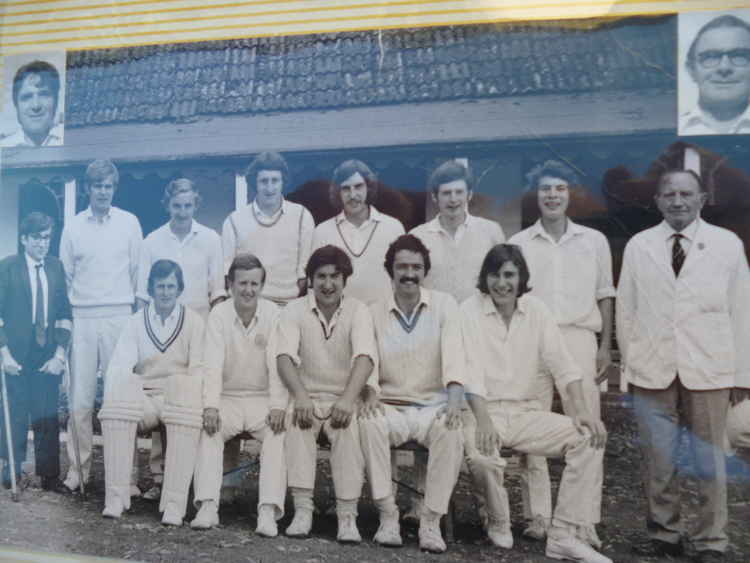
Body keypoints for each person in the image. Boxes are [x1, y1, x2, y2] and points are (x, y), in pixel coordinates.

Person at [617, 169, 750, 562]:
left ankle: (712, 539)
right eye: (669, 194)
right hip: (652, 368)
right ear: (657, 200)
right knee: (659, 459)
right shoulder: (640, 246)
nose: (678, 201)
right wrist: (632, 366)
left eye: (686, 194)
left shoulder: (726, 244)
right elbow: (627, 311)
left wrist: (741, 374)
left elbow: (742, 311)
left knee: (711, 460)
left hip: (709, 369)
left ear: (702, 198)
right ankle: (665, 533)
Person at [461, 244, 610, 563]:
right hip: (482, 412)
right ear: (485, 278)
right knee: (483, 459)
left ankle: (562, 535)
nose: (502, 283)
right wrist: (484, 420)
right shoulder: (469, 310)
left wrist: (582, 412)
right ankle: (498, 519)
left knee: (589, 439)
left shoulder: (537, 311)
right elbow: (469, 370)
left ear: (521, 278)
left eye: (509, 275)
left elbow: (564, 366)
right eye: (494, 275)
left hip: (526, 413)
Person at [508, 160, 615, 545]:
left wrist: (605, 346)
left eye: (560, 189)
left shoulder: (594, 241)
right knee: (531, 425)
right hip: (532, 339)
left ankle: (583, 520)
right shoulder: (519, 244)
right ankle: (538, 514)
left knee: (587, 427)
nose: (552, 196)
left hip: (578, 339)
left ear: (571, 194)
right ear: (535, 195)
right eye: (545, 189)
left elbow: (605, 294)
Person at [358, 234, 467, 553]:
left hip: (431, 406)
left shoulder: (445, 305)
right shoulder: (373, 310)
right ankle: (388, 514)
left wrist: (455, 399)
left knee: (452, 427)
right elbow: (367, 358)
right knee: (368, 422)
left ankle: (430, 520)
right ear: (390, 270)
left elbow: (455, 356)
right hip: (390, 405)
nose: (408, 273)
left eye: (416, 267)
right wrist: (370, 391)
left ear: (425, 271)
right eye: (401, 266)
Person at [274, 245, 384, 544]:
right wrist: (300, 396)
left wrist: (348, 399)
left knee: (348, 428)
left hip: (342, 396)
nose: (327, 284)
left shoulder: (358, 310)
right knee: (298, 424)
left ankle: (347, 515)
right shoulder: (294, 310)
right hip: (307, 395)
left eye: (335, 276)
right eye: (320, 276)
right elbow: (284, 357)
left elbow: (364, 357)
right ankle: (302, 510)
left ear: (345, 278)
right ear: (310, 279)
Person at [137, 178, 225, 501]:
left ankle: (189, 477)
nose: (183, 212)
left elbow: (218, 292)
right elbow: (143, 299)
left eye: (188, 205)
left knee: (194, 402)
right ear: (168, 205)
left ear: (196, 204)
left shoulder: (211, 239)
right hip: (162, 332)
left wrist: (215, 334)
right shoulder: (152, 241)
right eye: (177, 206)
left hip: (198, 330)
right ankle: (161, 478)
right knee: (163, 397)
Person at [98, 260, 205, 526]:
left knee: (183, 412)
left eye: (171, 286)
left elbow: (199, 369)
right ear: (151, 289)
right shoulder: (136, 321)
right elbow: (120, 365)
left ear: (179, 289)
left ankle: (173, 504)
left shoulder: (193, 321)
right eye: (160, 286)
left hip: (178, 397)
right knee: (118, 408)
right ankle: (116, 496)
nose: (166, 292)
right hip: (144, 396)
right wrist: (117, 395)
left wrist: (189, 395)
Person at [60, 158, 143, 492]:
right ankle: (78, 472)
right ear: (88, 189)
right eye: (98, 186)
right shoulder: (73, 227)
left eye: (108, 186)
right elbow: (66, 277)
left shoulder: (129, 223)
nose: (103, 192)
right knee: (79, 401)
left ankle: (127, 476)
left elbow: (139, 276)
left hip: (119, 316)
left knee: (120, 399)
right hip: (83, 317)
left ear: (114, 188)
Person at [191, 254, 287, 537]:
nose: (248, 290)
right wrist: (210, 406)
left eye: (254, 283)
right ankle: (208, 504)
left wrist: (278, 405)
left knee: (277, 434)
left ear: (262, 285)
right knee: (209, 431)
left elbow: (278, 364)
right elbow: (212, 365)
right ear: (230, 284)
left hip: (262, 398)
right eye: (242, 283)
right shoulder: (219, 315)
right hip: (228, 397)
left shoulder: (274, 315)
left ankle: (268, 510)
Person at [0, 212, 71, 492]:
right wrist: (3, 353)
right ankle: (12, 469)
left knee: (46, 413)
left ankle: (49, 475)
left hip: (46, 352)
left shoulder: (56, 268)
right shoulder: (7, 267)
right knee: (15, 410)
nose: (43, 244)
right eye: (37, 238)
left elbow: (64, 313)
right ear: (24, 239)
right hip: (15, 352)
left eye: (47, 238)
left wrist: (60, 355)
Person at [222, 151, 314, 305]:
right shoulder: (234, 221)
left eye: (275, 180)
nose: (270, 187)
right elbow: (227, 271)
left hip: (288, 305)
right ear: (254, 183)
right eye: (264, 181)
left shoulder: (301, 216)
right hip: (249, 306)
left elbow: (305, 271)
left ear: (283, 181)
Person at [410, 160, 505, 303]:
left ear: (470, 194)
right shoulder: (417, 237)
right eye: (446, 193)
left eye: (459, 192)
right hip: (436, 321)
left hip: (479, 321)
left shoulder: (491, 231)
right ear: (435, 197)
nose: (453, 199)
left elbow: (503, 280)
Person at [312, 160, 405, 305]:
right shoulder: (322, 231)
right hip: (341, 318)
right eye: (346, 189)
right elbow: (314, 285)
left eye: (358, 186)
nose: (352, 194)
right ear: (338, 192)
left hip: (383, 316)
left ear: (369, 187)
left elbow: (403, 276)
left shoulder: (393, 227)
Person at [680, 14, 750, 135]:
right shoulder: (678, 128)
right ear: (691, 70)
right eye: (710, 57)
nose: (724, 67)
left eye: (739, 55)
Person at [1, 60, 63, 147]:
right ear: (16, 105)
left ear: (56, 101)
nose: (35, 105)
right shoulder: (4, 147)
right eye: (27, 97)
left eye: (44, 95)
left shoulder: (72, 142)